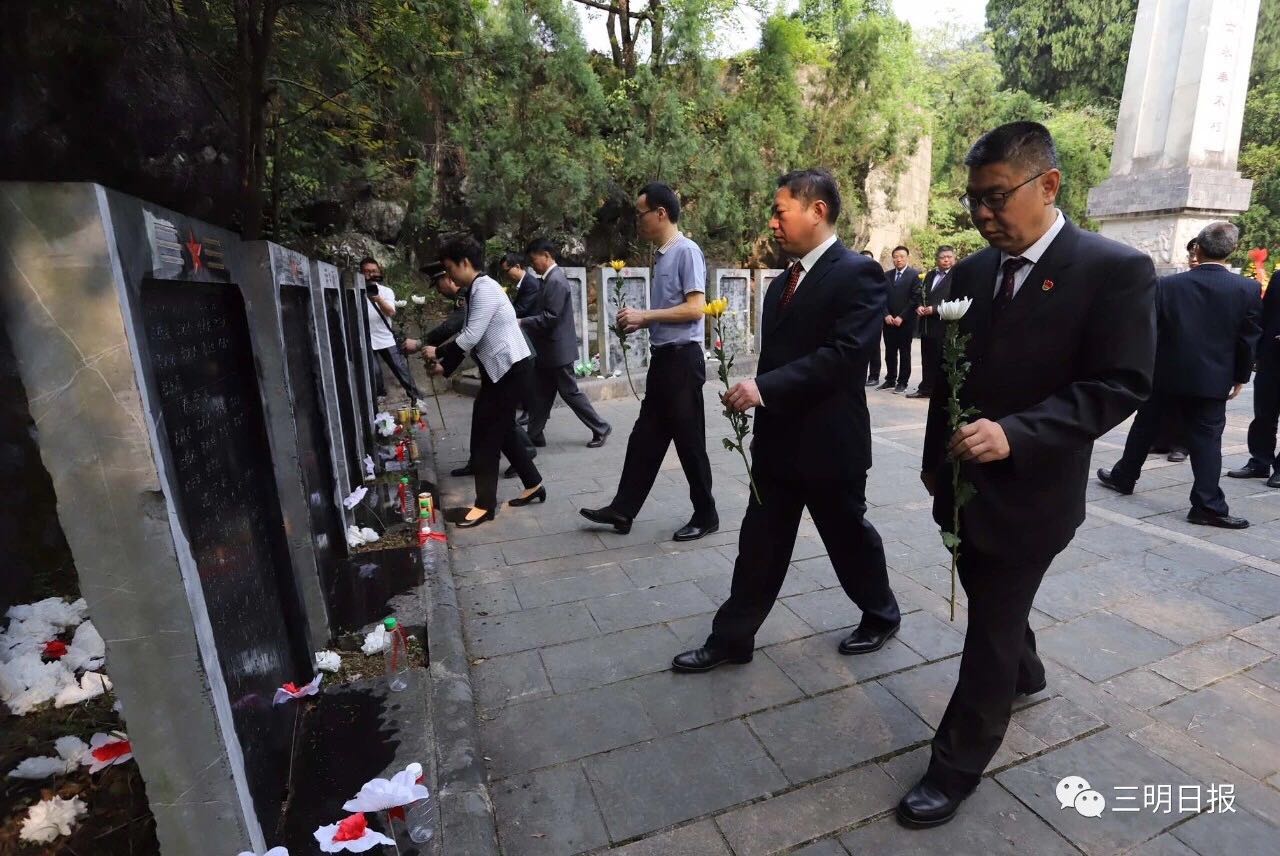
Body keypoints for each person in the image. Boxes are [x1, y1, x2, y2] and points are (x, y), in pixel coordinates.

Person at [903, 122, 1156, 828]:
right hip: (962, 485)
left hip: (1035, 491)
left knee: (989, 624)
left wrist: (1016, 434)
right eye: (972, 201)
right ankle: (1028, 668)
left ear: (1048, 185)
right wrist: (933, 463)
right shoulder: (971, 273)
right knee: (993, 600)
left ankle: (955, 765)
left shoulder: (1113, 269)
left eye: (995, 198)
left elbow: (1121, 383)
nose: (982, 215)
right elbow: (949, 382)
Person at [671, 168, 901, 673]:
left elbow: (845, 355)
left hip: (830, 445)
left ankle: (881, 614)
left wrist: (764, 388)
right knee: (759, 545)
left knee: (848, 539)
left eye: (780, 212)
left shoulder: (858, 273)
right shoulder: (782, 285)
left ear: (817, 211)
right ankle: (733, 638)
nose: (772, 223)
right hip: (777, 444)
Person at [579, 181, 718, 542]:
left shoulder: (686, 251)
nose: (637, 220)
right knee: (645, 438)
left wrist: (646, 316)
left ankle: (706, 514)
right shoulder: (662, 255)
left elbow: (696, 308)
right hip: (665, 361)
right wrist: (643, 320)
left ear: (660, 213)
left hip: (682, 361)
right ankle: (622, 509)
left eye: (640, 214)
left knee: (689, 442)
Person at [1099, 222, 1261, 527]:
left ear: (1197, 247)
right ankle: (1207, 504)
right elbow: (1247, 338)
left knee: (1145, 426)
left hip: (1165, 374)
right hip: (1212, 378)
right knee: (1207, 441)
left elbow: (1150, 330)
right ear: (1232, 250)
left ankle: (1124, 476)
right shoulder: (1246, 289)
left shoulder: (1168, 285)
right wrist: (1240, 376)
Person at [419, 237, 544, 528]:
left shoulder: (485, 288)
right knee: (504, 429)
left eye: (450, 268)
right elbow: (472, 335)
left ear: (464, 263)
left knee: (489, 435)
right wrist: (445, 366)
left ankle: (484, 506)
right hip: (501, 369)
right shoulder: (476, 289)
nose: (449, 276)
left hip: (511, 368)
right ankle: (533, 484)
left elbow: (471, 335)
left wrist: (438, 352)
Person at [404, 263, 536, 480]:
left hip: (511, 358)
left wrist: (424, 344)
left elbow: (459, 331)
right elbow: (467, 336)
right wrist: (445, 366)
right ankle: (480, 462)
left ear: (449, 276)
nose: (439, 290)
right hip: (496, 360)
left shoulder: (477, 291)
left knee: (498, 414)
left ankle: (523, 457)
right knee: (486, 410)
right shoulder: (470, 292)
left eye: (438, 283)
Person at [521, 239, 612, 448]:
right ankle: (534, 434)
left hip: (557, 351)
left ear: (546, 255)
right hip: (550, 351)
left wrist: (522, 322)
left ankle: (601, 427)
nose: (533, 265)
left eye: (534, 260)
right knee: (541, 395)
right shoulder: (550, 279)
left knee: (570, 393)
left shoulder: (555, 281)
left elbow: (550, 317)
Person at [1229, 250, 1280, 488]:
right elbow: (1264, 316)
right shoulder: (1279, 278)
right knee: (1263, 414)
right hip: (1272, 358)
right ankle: (1259, 461)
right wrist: (1256, 354)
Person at [360, 257, 421, 404]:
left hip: (385, 337)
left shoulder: (386, 291)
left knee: (401, 369)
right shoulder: (355, 291)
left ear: (379, 272)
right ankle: (378, 401)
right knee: (373, 372)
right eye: (366, 271)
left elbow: (391, 312)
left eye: (374, 271)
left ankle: (417, 399)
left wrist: (378, 299)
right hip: (364, 338)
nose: (370, 274)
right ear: (361, 273)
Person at [907, 246, 955, 399]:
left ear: (954, 258)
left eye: (949, 257)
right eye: (942, 257)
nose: (946, 260)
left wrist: (935, 309)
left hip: (944, 324)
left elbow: (958, 299)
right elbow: (921, 294)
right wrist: (919, 306)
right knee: (927, 358)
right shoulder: (930, 275)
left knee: (941, 359)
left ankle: (940, 392)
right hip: (927, 325)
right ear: (937, 259)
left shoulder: (958, 275)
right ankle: (926, 388)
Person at [879, 246, 922, 393]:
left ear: (907, 257)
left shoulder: (914, 275)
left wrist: (901, 316)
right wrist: (886, 314)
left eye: (902, 256)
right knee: (889, 352)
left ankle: (902, 382)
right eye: (896, 256)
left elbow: (914, 299)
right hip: (889, 321)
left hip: (905, 322)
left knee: (904, 353)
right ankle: (890, 379)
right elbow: (881, 297)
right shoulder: (886, 275)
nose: (898, 259)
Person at [500, 252, 542, 319]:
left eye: (506, 271)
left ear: (517, 267)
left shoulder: (531, 284)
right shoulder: (522, 282)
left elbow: (519, 311)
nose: (505, 275)